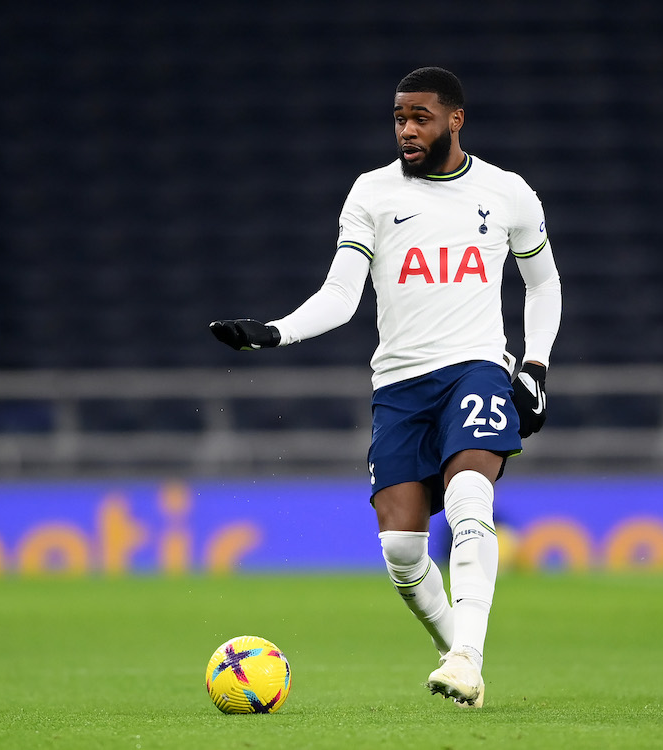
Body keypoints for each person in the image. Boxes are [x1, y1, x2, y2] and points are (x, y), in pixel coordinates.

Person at [210, 66, 562, 708]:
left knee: (469, 495)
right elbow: (342, 296)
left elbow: (542, 285)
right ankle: (463, 657)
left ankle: (467, 656)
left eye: (420, 117)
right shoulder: (372, 193)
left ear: (455, 120)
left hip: (475, 368)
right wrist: (274, 333)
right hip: (399, 385)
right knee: (401, 549)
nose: (406, 128)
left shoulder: (507, 193)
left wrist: (533, 366)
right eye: (399, 117)